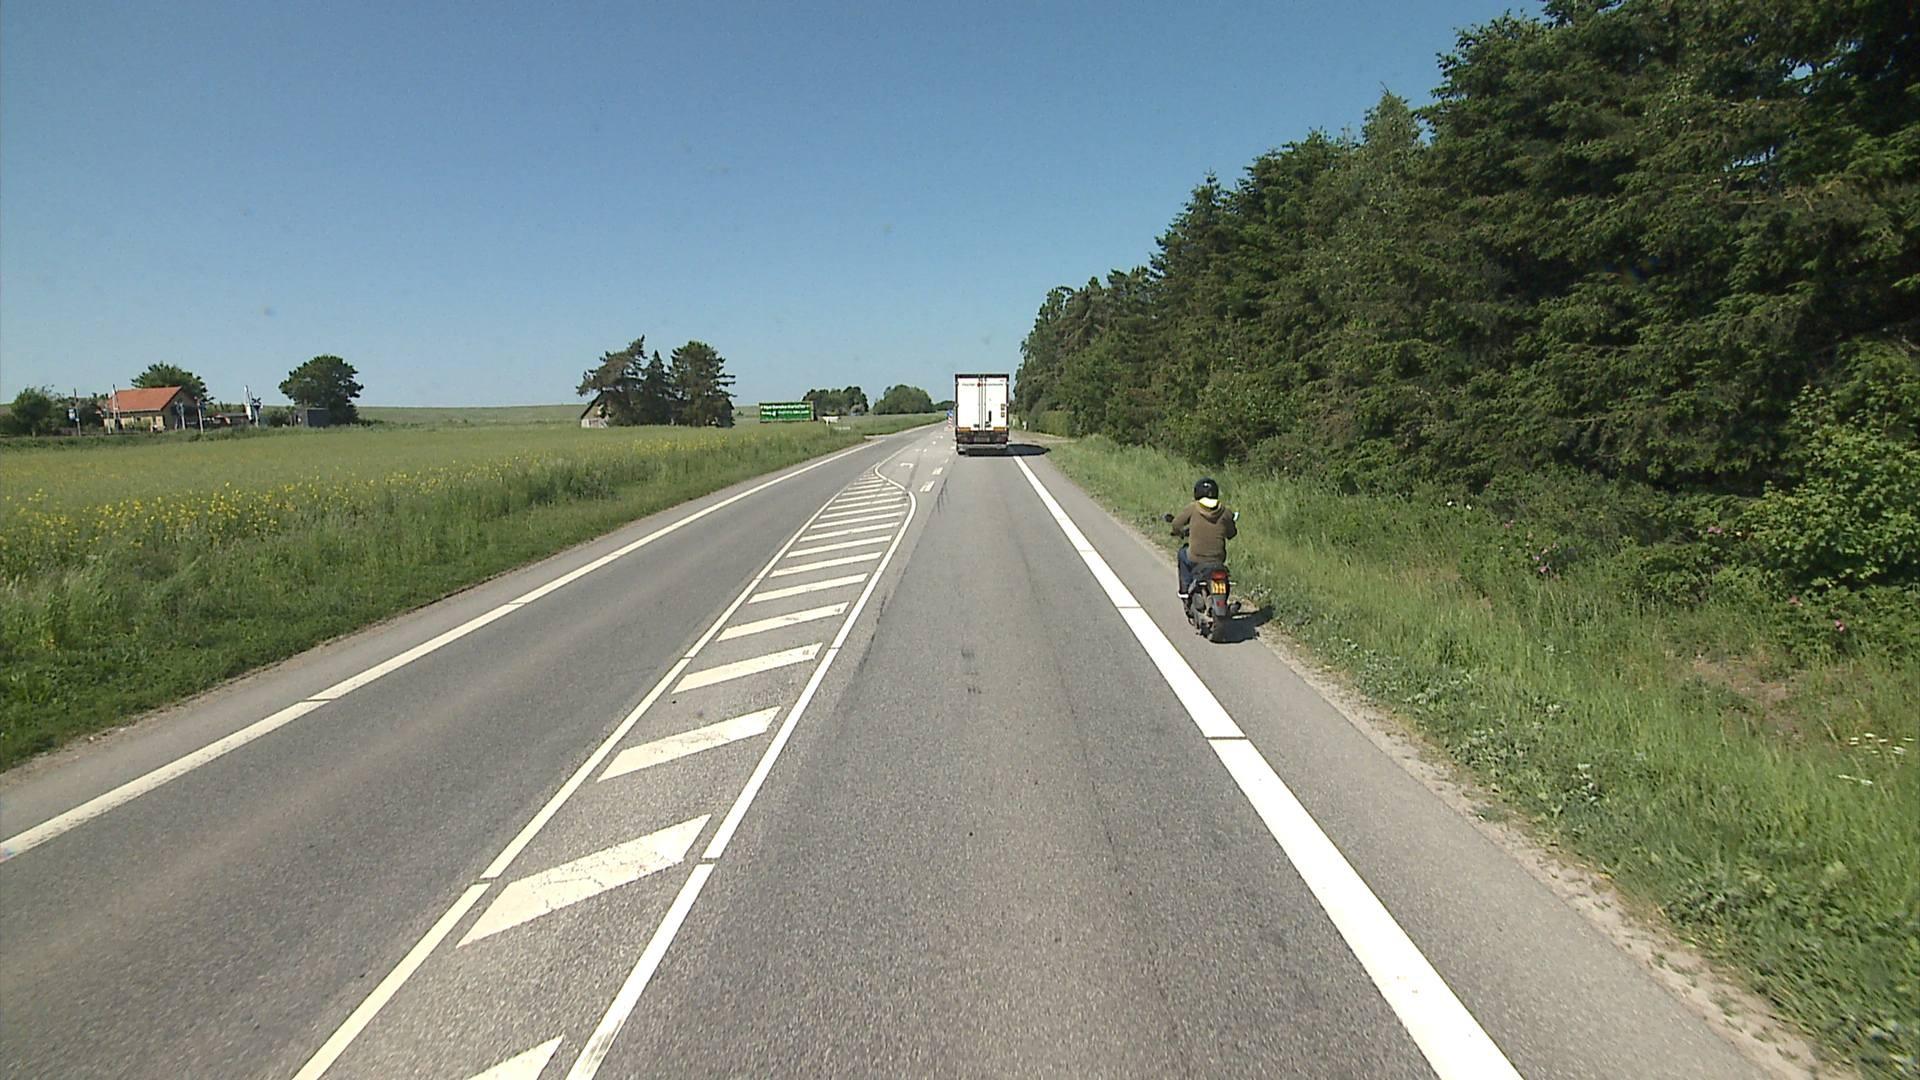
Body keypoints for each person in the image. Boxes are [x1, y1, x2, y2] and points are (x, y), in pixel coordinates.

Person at [1170, 477, 1236, 599]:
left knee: (1182, 554)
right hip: (1218, 559)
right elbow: (1232, 533)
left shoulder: (1193, 508)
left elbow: (1176, 524)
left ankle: (1185, 590)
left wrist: (1178, 532)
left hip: (1196, 557)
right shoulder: (1225, 511)